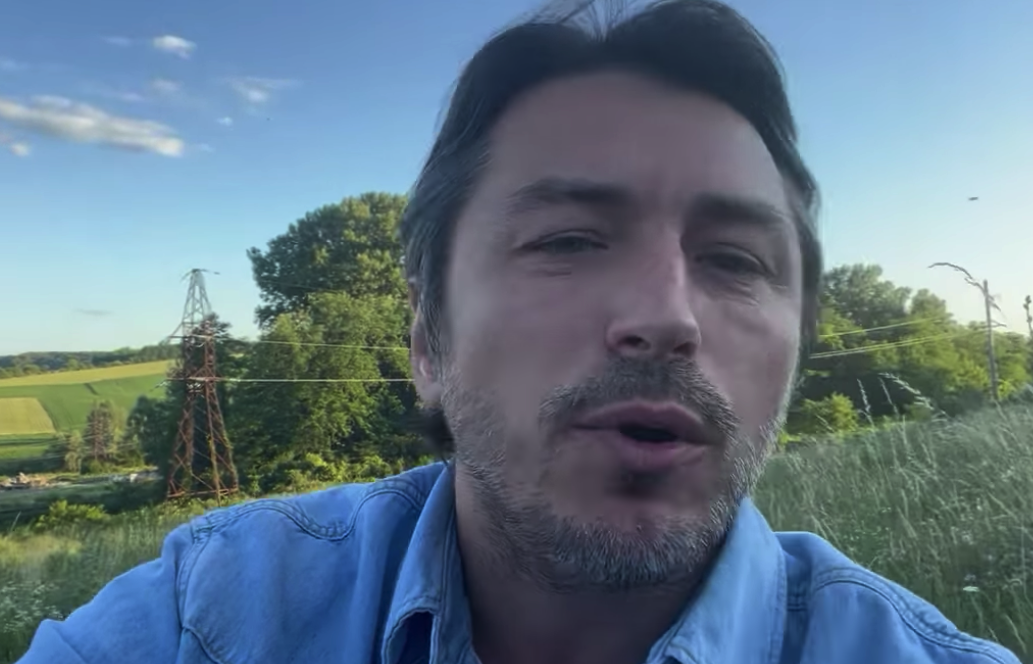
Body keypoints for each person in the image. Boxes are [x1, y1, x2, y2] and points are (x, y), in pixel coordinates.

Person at [17, 1, 1021, 663]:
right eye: (568, 239)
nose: (666, 317)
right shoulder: (209, 618)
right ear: (427, 341)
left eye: (733, 259)